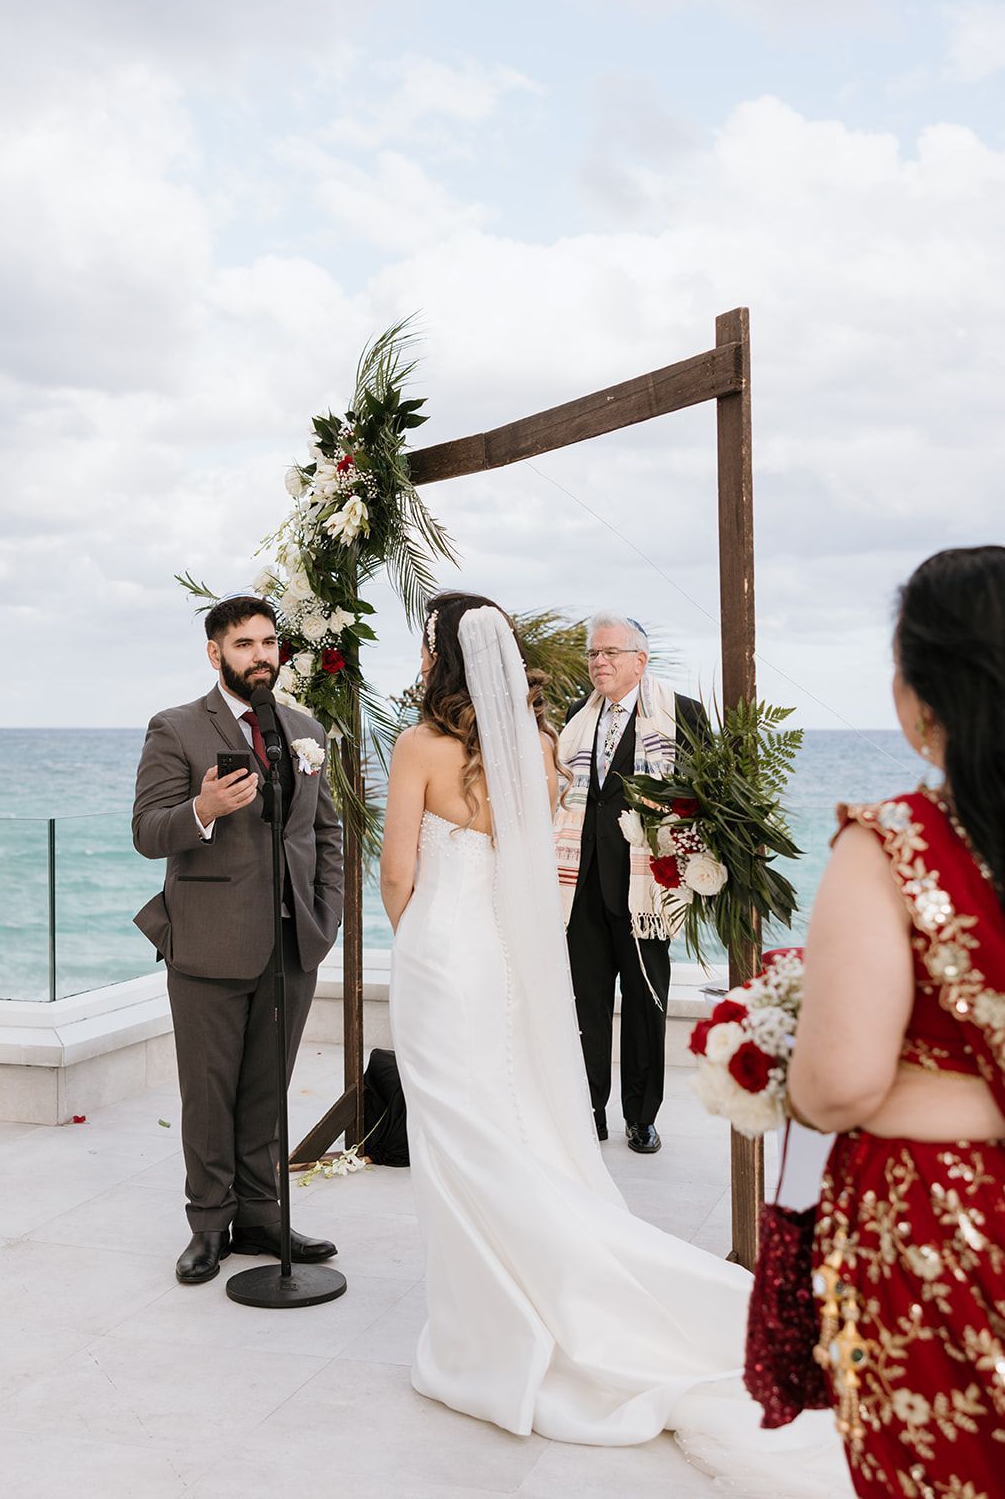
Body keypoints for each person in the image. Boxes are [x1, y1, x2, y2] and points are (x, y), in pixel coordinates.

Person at [381, 591, 847, 1490]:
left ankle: (487, 1328)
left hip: (445, 951)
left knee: (458, 1135)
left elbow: (398, 869)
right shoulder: (543, 744)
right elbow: (526, 861)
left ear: (437, 653)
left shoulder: (418, 746)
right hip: (512, 956)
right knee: (503, 1120)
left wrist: (420, 934)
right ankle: (514, 1300)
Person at [788, 545, 1005, 1497]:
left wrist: (785, 1054)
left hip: (944, 1232)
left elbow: (838, 1085)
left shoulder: (894, 846)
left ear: (920, 697)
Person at [132, 594, 344, 1285]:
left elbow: (325, 832)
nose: (260, 655)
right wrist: (202, 809)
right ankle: (207, 1225)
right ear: (214, 652)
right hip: (207, 942)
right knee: (209, 1090)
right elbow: (145, 831)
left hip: (292, 946)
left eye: (268, 642)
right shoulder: (176, 728)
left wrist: (325, 915)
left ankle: (262, 1215)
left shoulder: (305, 728)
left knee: (267, 1091)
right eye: (245, 644)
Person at [556, 614, 707, 1154]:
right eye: (594, 653)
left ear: (640, 661)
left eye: (611, 653)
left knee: (646, 1005)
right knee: (585, 1002)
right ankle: (589, 1110)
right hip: (582, 884)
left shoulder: (681, 715)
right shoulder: (578, 716)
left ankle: (641, 1118)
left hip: (648, 887)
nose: (599, 662)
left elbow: (700, 803)